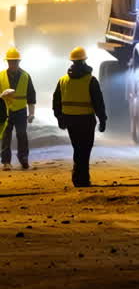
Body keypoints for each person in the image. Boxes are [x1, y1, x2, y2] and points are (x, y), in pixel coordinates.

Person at [52, 47, 107, 187]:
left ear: (72, 61)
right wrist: (102, 119)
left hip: (70, 120)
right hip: (86, 120)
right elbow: (98, 102)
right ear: (84, 61)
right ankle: (82, 179)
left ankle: (78, 178)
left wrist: (59, 117)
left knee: (77, 148)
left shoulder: (63, 80)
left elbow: (56, 101)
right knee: (85, 148)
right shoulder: (91, 80)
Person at [0, 47, 37, 171]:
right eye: (11, 61)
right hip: (5, 111)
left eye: (15, 61)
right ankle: (6, 161)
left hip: (21, 111)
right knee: (6, 136)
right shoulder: (1, 76)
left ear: (19, 62)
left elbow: (31, 96)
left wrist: (31, 113)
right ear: (7, 62)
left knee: (22, 134)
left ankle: (24, 159)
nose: (13, 63)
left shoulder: (25, 76)